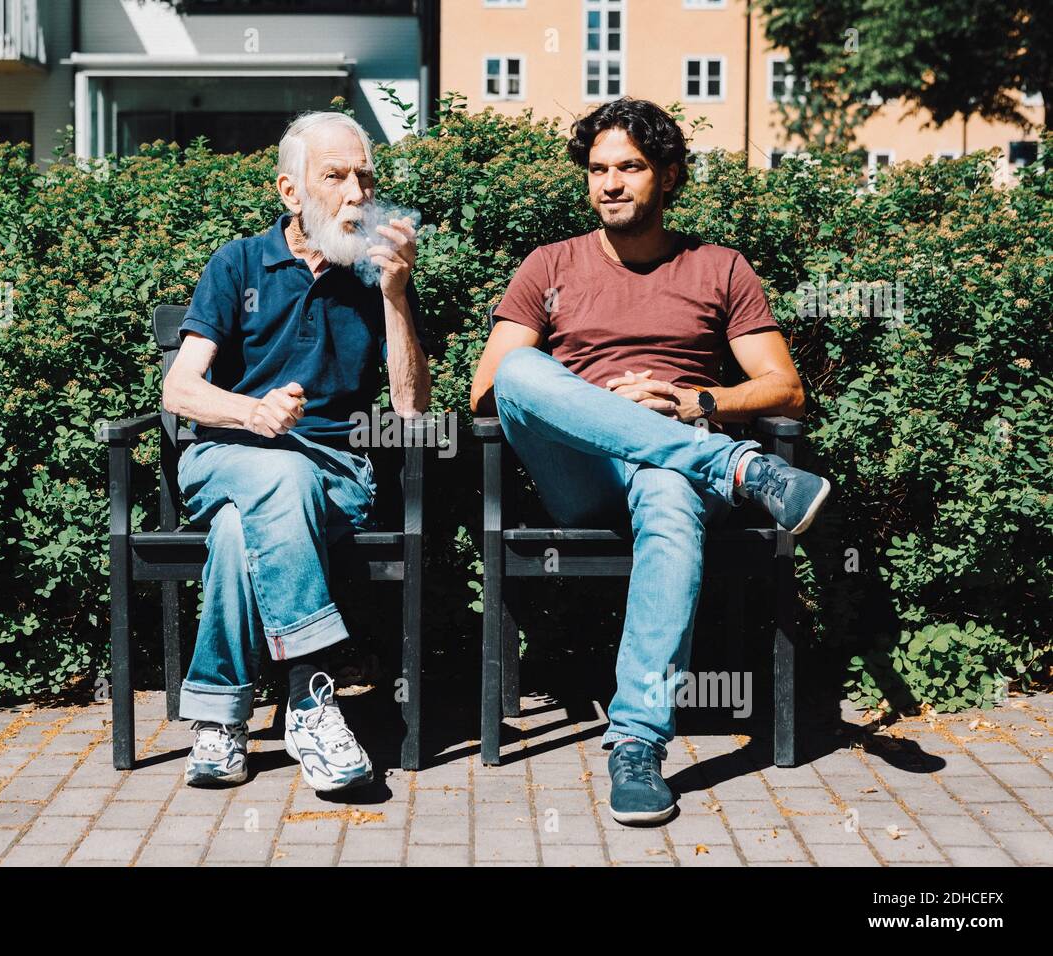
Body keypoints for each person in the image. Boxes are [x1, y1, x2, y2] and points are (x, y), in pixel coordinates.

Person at [469, 97, 830, 824]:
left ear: (668, 175)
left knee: (667, 488)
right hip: (584, 474)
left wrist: (694, 402)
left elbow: (785, 388)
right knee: (519, 372)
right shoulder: (549, 265)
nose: (610, 183)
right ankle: (741, 469)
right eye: (598, 169)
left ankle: (635, 741)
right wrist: (612, 410)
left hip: (677, 467)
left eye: (629, 167)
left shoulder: (719, 267)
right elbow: (487, 392)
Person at [162, 111, 431, 791]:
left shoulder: (376, 277)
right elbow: (181, 389)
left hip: (335, 475)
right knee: (276, 474)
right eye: (335, 177)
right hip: (226, 456)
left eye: (364, 177)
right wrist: (252, 412)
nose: (356, 194)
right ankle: (311, 699)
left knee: (235, 532)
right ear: (291, 192)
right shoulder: (239, 264)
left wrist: (397, 296)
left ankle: (220, 722)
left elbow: (412, 409)